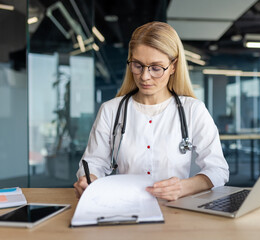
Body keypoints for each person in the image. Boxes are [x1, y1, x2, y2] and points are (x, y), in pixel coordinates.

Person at [73, 21, 229, 201]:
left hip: (177, 211)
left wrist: (183, 187)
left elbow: (218, 170)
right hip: (125, 206)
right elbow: (94, 163)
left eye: (156, 68)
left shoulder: (193, 110)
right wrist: (89, 179)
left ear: (173, 66)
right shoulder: (111, 110)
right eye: (138, 65)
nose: (145, 76)